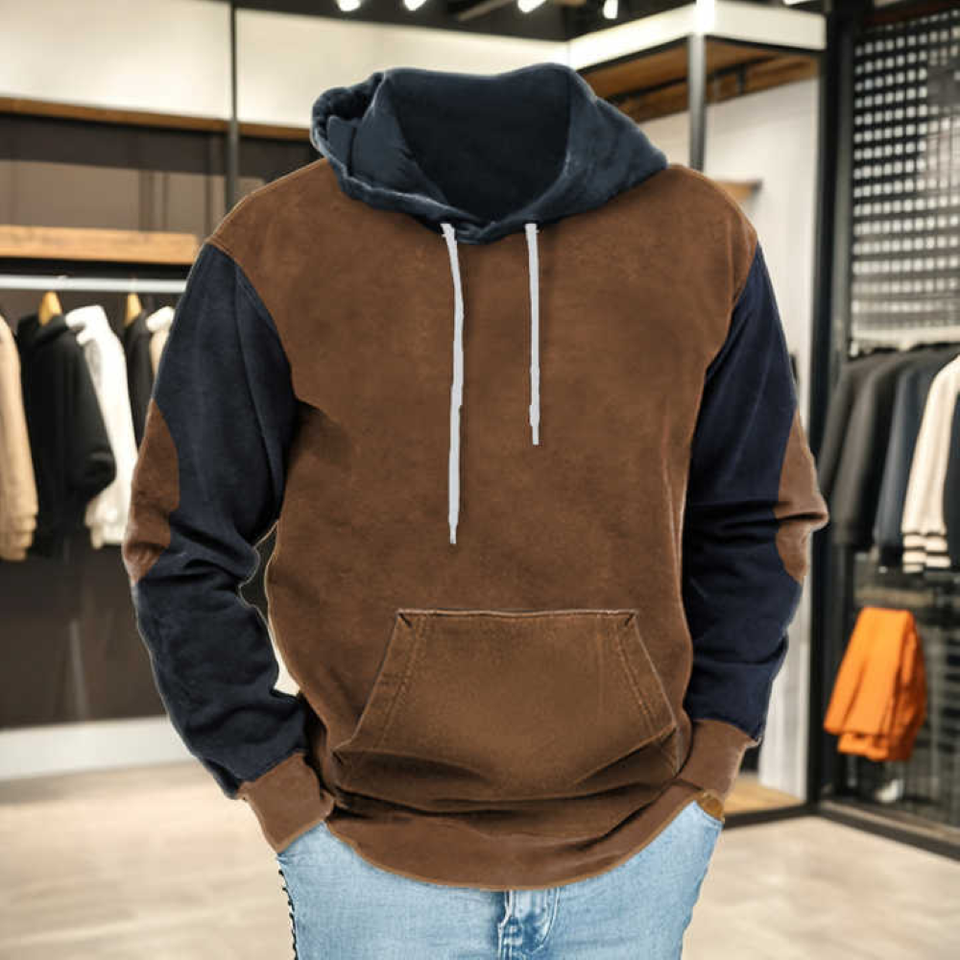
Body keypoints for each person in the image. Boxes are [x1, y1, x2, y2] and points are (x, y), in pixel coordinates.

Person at [122, 62, 830, 959]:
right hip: (369, 853)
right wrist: (277, 787)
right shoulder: (277, 241)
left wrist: (713, 762)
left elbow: (758, 518)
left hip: (638, 847)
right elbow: (177, 540)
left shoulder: (701, 237)